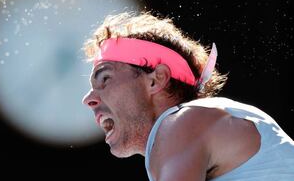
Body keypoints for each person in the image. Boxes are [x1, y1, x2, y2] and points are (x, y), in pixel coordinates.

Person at [82, 12, 294, 181]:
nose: (89, 99)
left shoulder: (181, 122)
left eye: (105, 79)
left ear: (156, 80)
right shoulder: (205, 122)